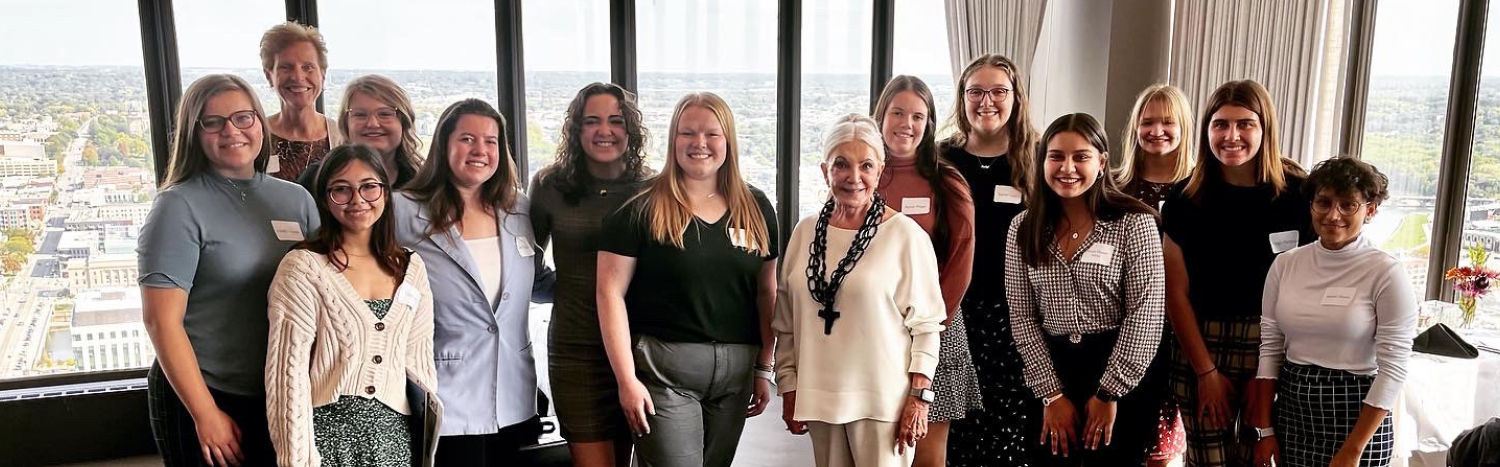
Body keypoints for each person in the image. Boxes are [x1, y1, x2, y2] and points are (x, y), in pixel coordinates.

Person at [138, 74, 320, 467]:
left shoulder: (296, 200)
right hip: (206, 393)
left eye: (243, 117)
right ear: (194, 132)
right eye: (213, 122)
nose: (231, 131)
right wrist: (205, 414)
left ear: (260, 121)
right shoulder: (178, 206)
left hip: (279, 392)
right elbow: (160, 322)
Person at [596, 92, 778, 467]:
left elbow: (766, 292)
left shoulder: (757, 206)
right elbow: (609, 293)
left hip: (736, 377)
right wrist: (627, 380)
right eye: (687, 133)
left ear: (728, 140)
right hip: (665, 375)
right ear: (673, 139)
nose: (699, 143)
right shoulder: (638, 204)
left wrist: (764, 366)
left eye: (712, 134)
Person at [775, 113, 947, 467]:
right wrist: (789, 386)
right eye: (841, 165)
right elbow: (786, 321)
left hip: (883, 402)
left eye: (866, 165)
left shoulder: (905, 236)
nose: (854, 177)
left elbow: (927, 326)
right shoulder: (805, 232)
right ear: (825, 171)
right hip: (819, 396)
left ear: (881, 172)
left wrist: (919, 397)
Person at [1160, 80, 1315, 467]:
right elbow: (1175, 294)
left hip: (1273, 344)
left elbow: (1311, 282)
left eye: (1245, 124)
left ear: (1265, 129)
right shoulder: (1183, 199)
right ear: (1206, 131)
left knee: (1258, 459)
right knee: (1207, 462)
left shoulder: (1297, 195)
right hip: (1200, 343)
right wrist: (1206, 373)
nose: (1232, 136)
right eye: (1220, 124)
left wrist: (1267, 376)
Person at [1006, 113, 1166, 467]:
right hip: (1051, 370)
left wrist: (1109, 392)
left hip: (1119, 368)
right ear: (1042, 160)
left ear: (1102, 162)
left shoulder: (1134, 223)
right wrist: (1051, 394)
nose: (1068, 167)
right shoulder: (1022, 228)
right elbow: (1022, 316)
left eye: (1081, 156)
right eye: (1056, 156)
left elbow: (1147, 314)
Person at [265, 145, 437, 467]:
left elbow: (420, 367)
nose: (357, 199)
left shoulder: (412, 268)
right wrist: (296, 459)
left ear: (385, 193)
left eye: (369, 186)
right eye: (341, 190)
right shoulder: (303, 268)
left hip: (395, 442)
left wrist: (427, 443)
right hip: (327, 443)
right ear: (325, 200)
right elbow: (287, 377)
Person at [391, 99, 538, 466]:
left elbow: (536, 278)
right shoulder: (403, 209)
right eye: (467, 139)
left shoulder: (517, 208)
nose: (480, 150)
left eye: (490, 141)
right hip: (445, 390)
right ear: (443, 144)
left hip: (513, 391)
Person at [1250, 158, 1416, 467]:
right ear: (1311, 205)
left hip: (1358, 417)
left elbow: (1394, 368)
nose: (1333, 215)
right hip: (1293, 411)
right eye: (1323, 203)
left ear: (1371, 209)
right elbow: (1270, 348)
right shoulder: (1286, 264)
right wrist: (1264, 429)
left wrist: (1353, 450)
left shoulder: (1386, 272)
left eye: (1348, 205)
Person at [529, 82, 652, 467]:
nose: (604, 131)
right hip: (575, 351)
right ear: (576, 130)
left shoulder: (652, 188)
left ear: (629, 130)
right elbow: (528, 267)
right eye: (592, 121)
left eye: (616, 121)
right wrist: (570, 292)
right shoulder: (549, 185)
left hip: (641, 351)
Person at [872, 75, 980, 467]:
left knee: (926, 457)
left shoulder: (945, 181)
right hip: (872, 333)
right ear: (880, 116)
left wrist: (929, 329)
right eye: (897, 112)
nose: (907, 123)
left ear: (929, 123)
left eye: (918, 115)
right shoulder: (864, 176)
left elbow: (961, 260)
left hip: (936, 332)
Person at [943, 54, 1044, 467]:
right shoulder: (941, 159)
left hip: (1015, 316)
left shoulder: (1038, 159)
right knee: (954, 428)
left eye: (998, 91)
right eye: (976, 92)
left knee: (1009, 430)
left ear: (1015, 98)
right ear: (962, 98)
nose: (987, 101)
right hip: (953, 313)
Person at [1114, 83, 1196, 466]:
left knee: (1164, 447)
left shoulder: (1199, 189)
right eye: (1147, 122)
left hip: (1181, 327)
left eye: (1167, 122)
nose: (1157, 130)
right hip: (1122, 328)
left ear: (1184, 127)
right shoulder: (1112, 186)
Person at [298, 75, 424, 192]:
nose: (373, 124)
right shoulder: (316, 179)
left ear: (404, 122)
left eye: (385, 114)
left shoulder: (424, 182)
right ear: (345, 123)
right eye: (360, 115)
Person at [260, 21, 344, 182]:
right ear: (269, 76)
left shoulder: (342, 137)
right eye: (286, 67)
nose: (298, 77)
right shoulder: (256, 137)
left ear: (323, 75)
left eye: (307, 67)